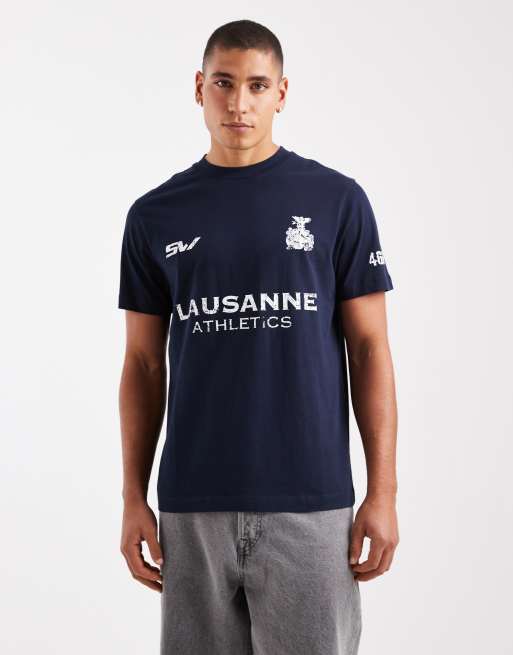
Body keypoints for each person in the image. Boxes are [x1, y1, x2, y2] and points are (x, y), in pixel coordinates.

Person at [117, 18, 399, 655]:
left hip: (312, 502)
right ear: (199, 88)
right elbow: (142, 363)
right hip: (192, 504)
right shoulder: (154, 215)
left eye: (256, 85)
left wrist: (382, 492)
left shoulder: (337, 201)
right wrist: (134, 496)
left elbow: (370, 350)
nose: (238, 103)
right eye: (223, 83)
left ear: (282, 93)